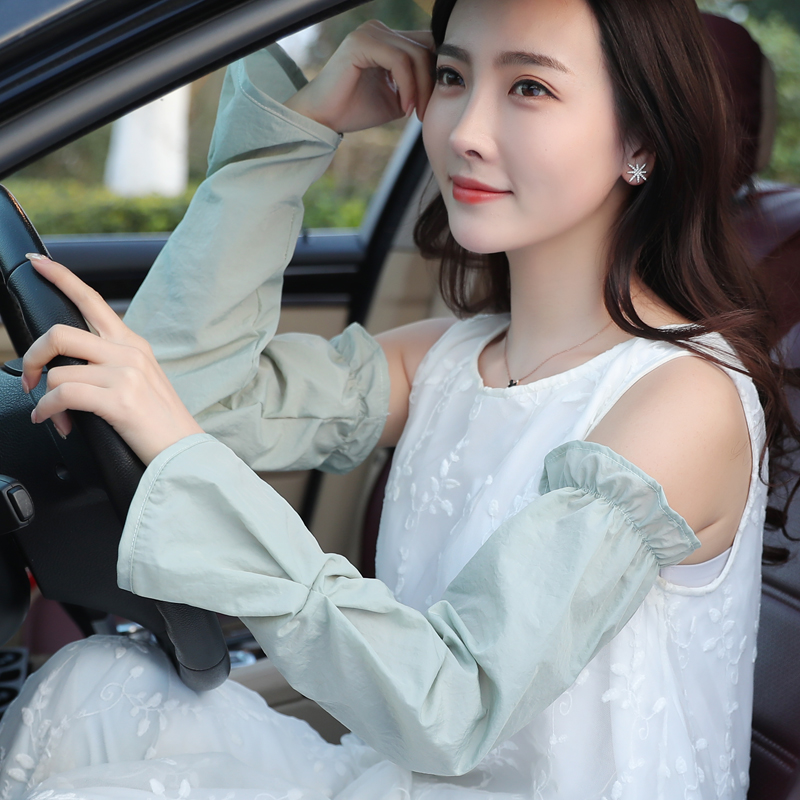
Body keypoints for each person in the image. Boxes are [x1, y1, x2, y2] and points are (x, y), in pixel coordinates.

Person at [0, 0, 790, 796]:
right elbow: (176, 392)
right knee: (95, 688)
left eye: (530, 88)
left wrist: (184, 453)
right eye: (452, 76)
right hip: (399, 775)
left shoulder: (684, 399)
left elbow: (455, 705)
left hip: (448, 752)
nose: (465, 130)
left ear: (640, 141)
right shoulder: (446, 357)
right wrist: (305, 127)